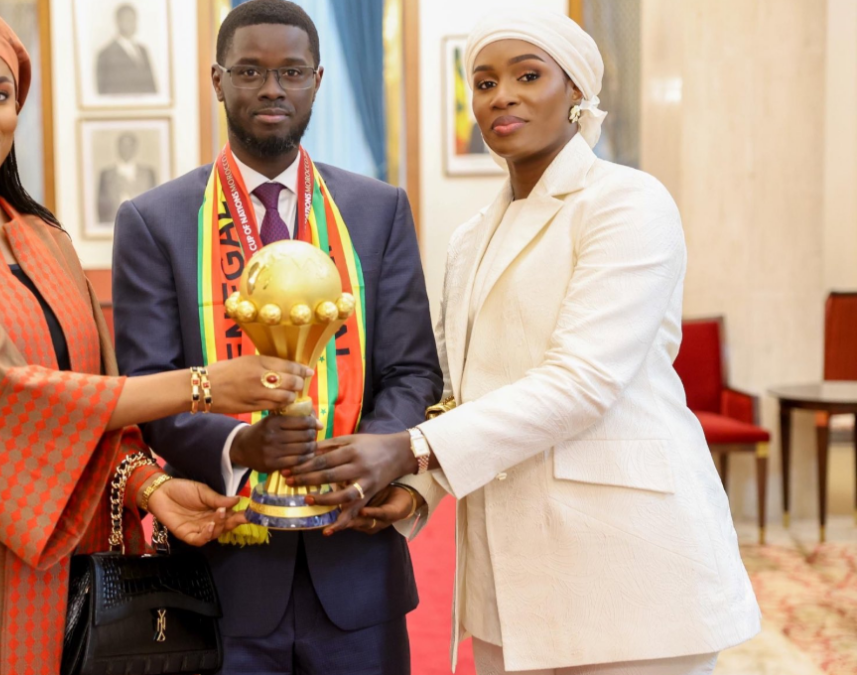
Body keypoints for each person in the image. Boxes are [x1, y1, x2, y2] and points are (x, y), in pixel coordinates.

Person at [0, 5, 309, 674]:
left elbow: (93, 399)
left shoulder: (43, 238)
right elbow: (6, 398)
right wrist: (203, 386)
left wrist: (150, 487)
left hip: (72, 578)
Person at [286, 9, 763, 675]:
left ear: (577, 92)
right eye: (484, 83)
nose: (501, 96)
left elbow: (582, 382)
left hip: (630, 569)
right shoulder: (469, 238)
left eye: (528, 76)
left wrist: (409, 447)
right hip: (508, 579)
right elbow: (461, 393)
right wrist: (421, 487)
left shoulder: (628, 203)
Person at [111, 1, 443, 673]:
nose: (272, 88)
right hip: (219, 571)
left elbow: (412, 370)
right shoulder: (154, 221)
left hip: (356, 565)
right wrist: (241, 446)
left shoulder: (378, 211)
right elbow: (151, 387)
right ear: (217, 80)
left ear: (317, 81)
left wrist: (372, 455)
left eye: (291, 72)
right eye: (250, 71)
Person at [95, 3, 157, 95]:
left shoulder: (143, 50)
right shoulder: (105, 54)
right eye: (127, 19)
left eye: (133, 19)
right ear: (118, 22)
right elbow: (104, 93)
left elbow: (153, 88)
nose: (132, 23)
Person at [97, 132, 157, 224]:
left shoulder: (148, 174)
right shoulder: (106, 175)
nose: (126, 150)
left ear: (135, 148)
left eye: (129, 146)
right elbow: (101, 207)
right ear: (118, 148)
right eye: (123, 146)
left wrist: (132, 188)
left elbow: (153, 205)